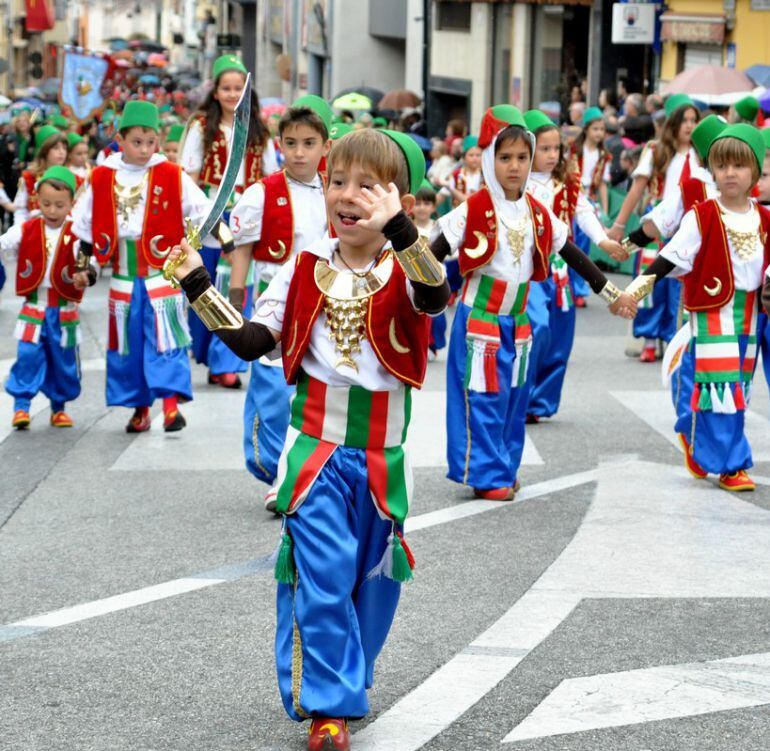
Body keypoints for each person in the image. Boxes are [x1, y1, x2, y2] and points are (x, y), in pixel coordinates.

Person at [167, 127, 449, 751]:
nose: (348, 196)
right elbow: (251, 342)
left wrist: (402, 230)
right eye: (336, 182)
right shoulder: (304, 267)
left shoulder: (406, 264)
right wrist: (195, 282)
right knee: (321, 576)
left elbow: (435, 296)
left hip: (382, 458)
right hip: (314, 452)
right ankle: (328, 706)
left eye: (367, 187)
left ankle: (349, 675)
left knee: (373, 582)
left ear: (398, 199)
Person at [434, 105, 636, 501]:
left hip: (518, 321)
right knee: (485, 399)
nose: (514, 166)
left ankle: (505, 469)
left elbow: (574, 253)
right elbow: (432, 250)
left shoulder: (537, 212)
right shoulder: (473, 208)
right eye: (504, 157)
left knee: (513, 399)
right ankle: (487, 475)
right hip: (480, 320)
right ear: (490, 159)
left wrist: (613, 295)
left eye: (522, 158)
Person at [626, 125, 769, 492]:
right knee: (720, 388)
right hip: (712, 313)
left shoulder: (765, 219)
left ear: (755, 170)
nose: (730, 173)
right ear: (712, 170)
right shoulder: (702, 214)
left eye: (739, 166)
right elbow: (668, 258)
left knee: (737, 390)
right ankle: (731, 465)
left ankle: (696, 437)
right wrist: (635, 291)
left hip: (751, 313)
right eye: (722, 166)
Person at [71, 100, 210, 432]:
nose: (145, 149)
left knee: (168, 339)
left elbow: (202, 210)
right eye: (137, 142)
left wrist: (217, 241)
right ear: (120, 139)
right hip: (122, 274)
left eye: (151, 142)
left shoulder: (170, 174)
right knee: (128, 346)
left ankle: (172, 406)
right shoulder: (102, 176)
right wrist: (83, 265)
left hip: (162, 274)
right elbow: (85, 227)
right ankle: (140, 408)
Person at [227, 95, 332, 511]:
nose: (299, 152)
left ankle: (306, 472)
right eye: (291, 143)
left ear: (325, 146)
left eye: (309, 143)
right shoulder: (262, 192)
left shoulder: (336, 188)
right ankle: (278, 475)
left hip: (324, 299)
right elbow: (243, 250)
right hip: (275, 301)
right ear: (279, 146)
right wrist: (237, 301)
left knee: (316, 389)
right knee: (272, 391)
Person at [520, 108, 625, 426]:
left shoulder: (565, 181)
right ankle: (520, 396)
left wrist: (603, 240)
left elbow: (582, 210)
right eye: (545, 149)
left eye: (556, 149)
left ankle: (540, 402)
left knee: (561, 336)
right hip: (531, 268)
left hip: (562, 268)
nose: (552, 155)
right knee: (536, 328)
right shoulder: (518, 183)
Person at [180, 53, 278, 388]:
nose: (233, 94)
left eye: (238, 88)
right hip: (208, 214)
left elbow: (269, 176)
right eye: (227, 88)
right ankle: (210, 352)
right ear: (216, 91)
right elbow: (189, 175)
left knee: (237, 284)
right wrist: (199, 216)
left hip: (246, 215)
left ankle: (227, 362)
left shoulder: (258, 130)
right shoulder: (200, 126)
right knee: (206, 283)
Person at [1, 167, 95, 429]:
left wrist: (86, 274)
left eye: (59, 205)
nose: (52, 210)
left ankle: (58, 408)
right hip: (34, 306)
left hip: (64, 309)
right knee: (28, 355)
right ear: (36, 200)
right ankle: (21, 406)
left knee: (63, 360)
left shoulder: (79, 233)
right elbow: (5, 241)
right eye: (46, 204)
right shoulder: (27, 227)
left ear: (71, 203)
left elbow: (90, 262)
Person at [610, 93, 700, 362]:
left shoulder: (701, 154)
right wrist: (619, 226)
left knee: (680, 284)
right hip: (658, 222)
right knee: (652, 282)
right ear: (672, 122)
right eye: (684, 120)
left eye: (694, 120)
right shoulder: (656, 150)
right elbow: (637, 189)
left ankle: (676, 337)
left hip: (690, 222)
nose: (689, 126)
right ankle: (649, 338)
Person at [14, 125, 68, 226]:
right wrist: (23, 231)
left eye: (64, 148)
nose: (62, 152)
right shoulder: (29, 178)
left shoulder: (70, 177)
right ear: (44, 151)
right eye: (56, 148)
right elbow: (20, 210)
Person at [439, 135, 483, 207]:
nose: (475, 158)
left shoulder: (485, 176)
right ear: (464, 157)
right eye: (471, 155)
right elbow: (442, 195)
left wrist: (452, 189)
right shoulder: (456, 174)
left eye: (478, 155)